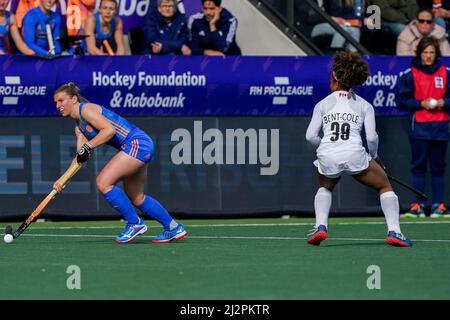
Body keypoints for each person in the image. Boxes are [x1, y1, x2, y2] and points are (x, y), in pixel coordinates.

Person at [52, 83, 187, 244]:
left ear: (73, 99)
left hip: (136, 143)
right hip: (138, 146)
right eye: (56, 103)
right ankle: (173, 227)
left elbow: (109, 131)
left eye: (61, 100)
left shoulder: (86, 110)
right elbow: (80, 157)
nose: (58, 106)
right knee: (137, 198)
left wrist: (89, 145)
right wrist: (63, 179)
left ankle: (134, 223)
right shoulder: (78, 128)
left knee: (103, 182)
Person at [305, 51, 413, 247]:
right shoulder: (365, 105)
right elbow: (371, 137)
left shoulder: (321, 105)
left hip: (327, 155)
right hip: (355, 155)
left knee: (325, 187)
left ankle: (321, 227)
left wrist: (328, 145)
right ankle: (395, 232)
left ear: (335, 76)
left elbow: (310, 136)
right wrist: (375, 156)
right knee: (384, 186)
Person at [396, 37, 450, 218]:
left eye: (432, 53)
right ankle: (417, 206)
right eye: (425, 52)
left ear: (437, 54)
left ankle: (439, 205)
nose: (428, 56)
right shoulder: (409, 74)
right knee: (418, 168)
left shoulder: (446, 72)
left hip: (441, 128)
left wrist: (444, 101)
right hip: (419, 127)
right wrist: (421, 103)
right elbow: (401, 101)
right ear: (420, 53)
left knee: (438, 168)